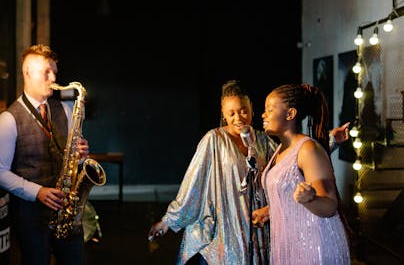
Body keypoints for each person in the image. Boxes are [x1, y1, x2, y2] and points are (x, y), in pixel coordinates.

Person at [147, 80, 350, 265]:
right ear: (223, 114)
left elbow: (293, 162)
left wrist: (331, 140)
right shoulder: (214, 140)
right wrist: (169, 220)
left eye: (243, 110)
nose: (238, 117)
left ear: (251, 107)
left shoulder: (264, 141)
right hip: (227, 228)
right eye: (231, 113)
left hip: (259, 231)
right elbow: (194, 182)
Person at [0, 44, 90, 265]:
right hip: (31, 215)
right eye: (46, 71)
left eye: (54, 71)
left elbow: (73, 158)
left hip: (67, 209)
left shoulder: (64, 110)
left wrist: (79, 155)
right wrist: (38, 192)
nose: (52, 76)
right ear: (27, 72)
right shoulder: (8, 119)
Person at [252, 84, 350, 264]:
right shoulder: (280, 149)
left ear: (290, 114)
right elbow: (288, 193)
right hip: (290, 244)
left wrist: (310, 199)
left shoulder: (308, 150)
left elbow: (329, 206)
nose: (263, 115)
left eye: (270, 109)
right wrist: (269, 211)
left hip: (315, 247)